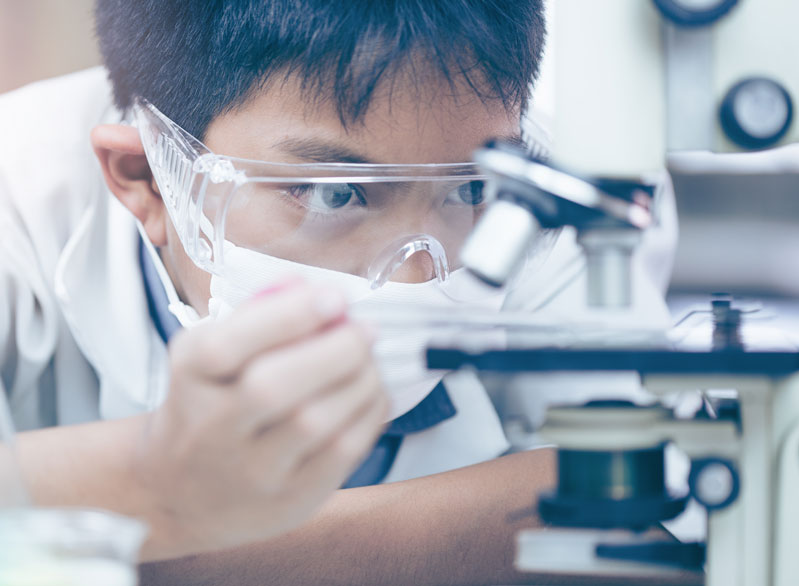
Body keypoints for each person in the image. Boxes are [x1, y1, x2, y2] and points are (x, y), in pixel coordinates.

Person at [0, 1, 685, 584]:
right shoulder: (21, 194)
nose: (422, 276)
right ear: (146, 180)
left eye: (467, 190)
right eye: (336, 194)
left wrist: (120, 530)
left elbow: (645, 496)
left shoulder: (560, 196)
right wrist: (160, 478)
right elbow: (571, 502)